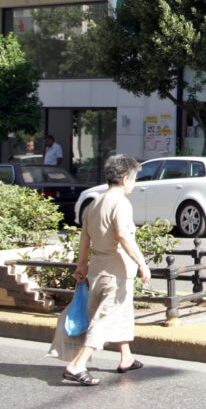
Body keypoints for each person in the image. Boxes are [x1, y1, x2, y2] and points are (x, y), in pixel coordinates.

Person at [49, 154, 151, 386]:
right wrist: (142, 263)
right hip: (116, 272)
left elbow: (85, 238)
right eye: (134, 179)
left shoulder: (94, 203)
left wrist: (81, 265)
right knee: (104, 318)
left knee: (118, 312)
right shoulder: (121, 203)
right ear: (125, 179)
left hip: (97, 269)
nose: (134, 184)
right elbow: (123, 235)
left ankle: (126, 357)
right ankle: (77, 365)